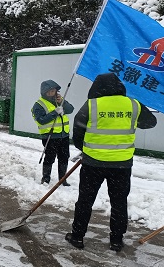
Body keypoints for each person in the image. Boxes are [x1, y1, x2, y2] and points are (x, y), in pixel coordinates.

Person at [66, 73, 157, 252]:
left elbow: (77, 130)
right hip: (121, 165)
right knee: (119, 202)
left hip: (93, 164)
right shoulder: (133, 104)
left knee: (85, 201)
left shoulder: (92, 105)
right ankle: (116, 240)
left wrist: (85, 149)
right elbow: (150, 122)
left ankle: (77, 237)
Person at [31, 80, 74, 186]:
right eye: (50, 91)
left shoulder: (59, 100)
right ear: (44, 92)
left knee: (64, 158)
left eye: (54, 91)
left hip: (64, 135)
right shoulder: (39, 105)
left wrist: (62, 102)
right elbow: (41, 120)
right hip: (50, 136)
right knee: (50, 158)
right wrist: (55, 113)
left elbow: (70, 109)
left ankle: (63, 179)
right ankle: (46, 179)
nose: (52, 93)